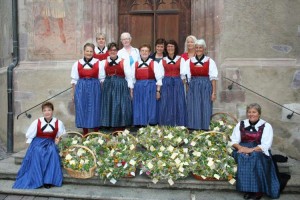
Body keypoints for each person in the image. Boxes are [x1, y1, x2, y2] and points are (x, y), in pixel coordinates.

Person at [230, 103, 280, 199]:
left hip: (258, 149)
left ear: (259, 114)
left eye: (254, 112)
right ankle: (248, 189)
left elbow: (266, 145)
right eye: (249, 112)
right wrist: (240, 148)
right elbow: (233, 141)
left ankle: (258, 190)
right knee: (242, 156)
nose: (251, 114)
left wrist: (250, 150)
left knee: (254, 156)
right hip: (242, 148)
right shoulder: (241, 124)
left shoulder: (266, 126)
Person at [13, 102, 65, 189]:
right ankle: (37, 179)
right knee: (38, 151)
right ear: (42, 112)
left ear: (52, 111)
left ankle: (48, 181)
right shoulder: (37, 122)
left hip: (51, 142)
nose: (47, 112)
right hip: (38, 142)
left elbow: (61, 135)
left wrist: (57, 141)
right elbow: (30, 135)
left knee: (52, 151)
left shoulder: (58, 122)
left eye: (49, 110)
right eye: (44, 110)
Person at [186, 39, 218, 130]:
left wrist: (213, 93)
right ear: (194, 49)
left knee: (205, 107)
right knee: (193, 107)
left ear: (204, 49)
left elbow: (213, 78)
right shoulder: (189, 61)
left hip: (206, 86)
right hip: (193, 86)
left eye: (200, 48)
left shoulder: (210, 61)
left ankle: (205, 129)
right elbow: (187, 78)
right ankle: (193, 129)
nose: (198, 49)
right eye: (196, 48)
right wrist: (188, 90)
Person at [100, 42, 133, 128]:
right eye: (111, 50)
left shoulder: (123, 62)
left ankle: (120, 128)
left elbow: (129, 77)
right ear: (108, 51)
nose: (113, 52)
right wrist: (103, 88)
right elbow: (102, 77)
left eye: (114, 50)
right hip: (108, 86)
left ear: (117, 51)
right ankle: (110, 126)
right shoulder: (104, 62)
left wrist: (131, 91)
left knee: (120, 105)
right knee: (109, 105)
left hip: (120, 86)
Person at [71, 43, 101, 135]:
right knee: (82, 107)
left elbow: (101, 79)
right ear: (84, 51)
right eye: (87, 51)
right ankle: (85, 132)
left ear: (93, 52)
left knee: (95, 108)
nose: (89, 53)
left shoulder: (98, 62)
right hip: (81, 88)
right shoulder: (77, 63)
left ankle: (96, 132)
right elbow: (74, 80)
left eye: (91, 51)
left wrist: (100, 92)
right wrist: (73, 94)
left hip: (94, 88)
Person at [132, 44, 163, 126]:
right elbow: (132, 79)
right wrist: (131, 91)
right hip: (138, 87)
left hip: (150, 87)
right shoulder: (135, 64)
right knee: (139, 105)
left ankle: (151, 124)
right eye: (142, 51)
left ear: (149, 53)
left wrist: (158, 91)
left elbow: (159, 78)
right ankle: (140, 124)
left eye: (146, 51)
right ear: (139, 52)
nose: (144, 52)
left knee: (150, 105)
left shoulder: (154, 63)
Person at [158, 39, 187, 126]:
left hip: (177, 83)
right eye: (168, 46)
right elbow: (160, 76)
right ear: (166, 49)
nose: (170, 48)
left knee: (178, 103)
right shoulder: (163, 60)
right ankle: (167, 124)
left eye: (172, 46)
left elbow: (183, 76)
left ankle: (179, 124)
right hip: (166, 83)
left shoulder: (181, 59)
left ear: (175, 48)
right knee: (166, 103)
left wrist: (182, 88)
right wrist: (159, 90)